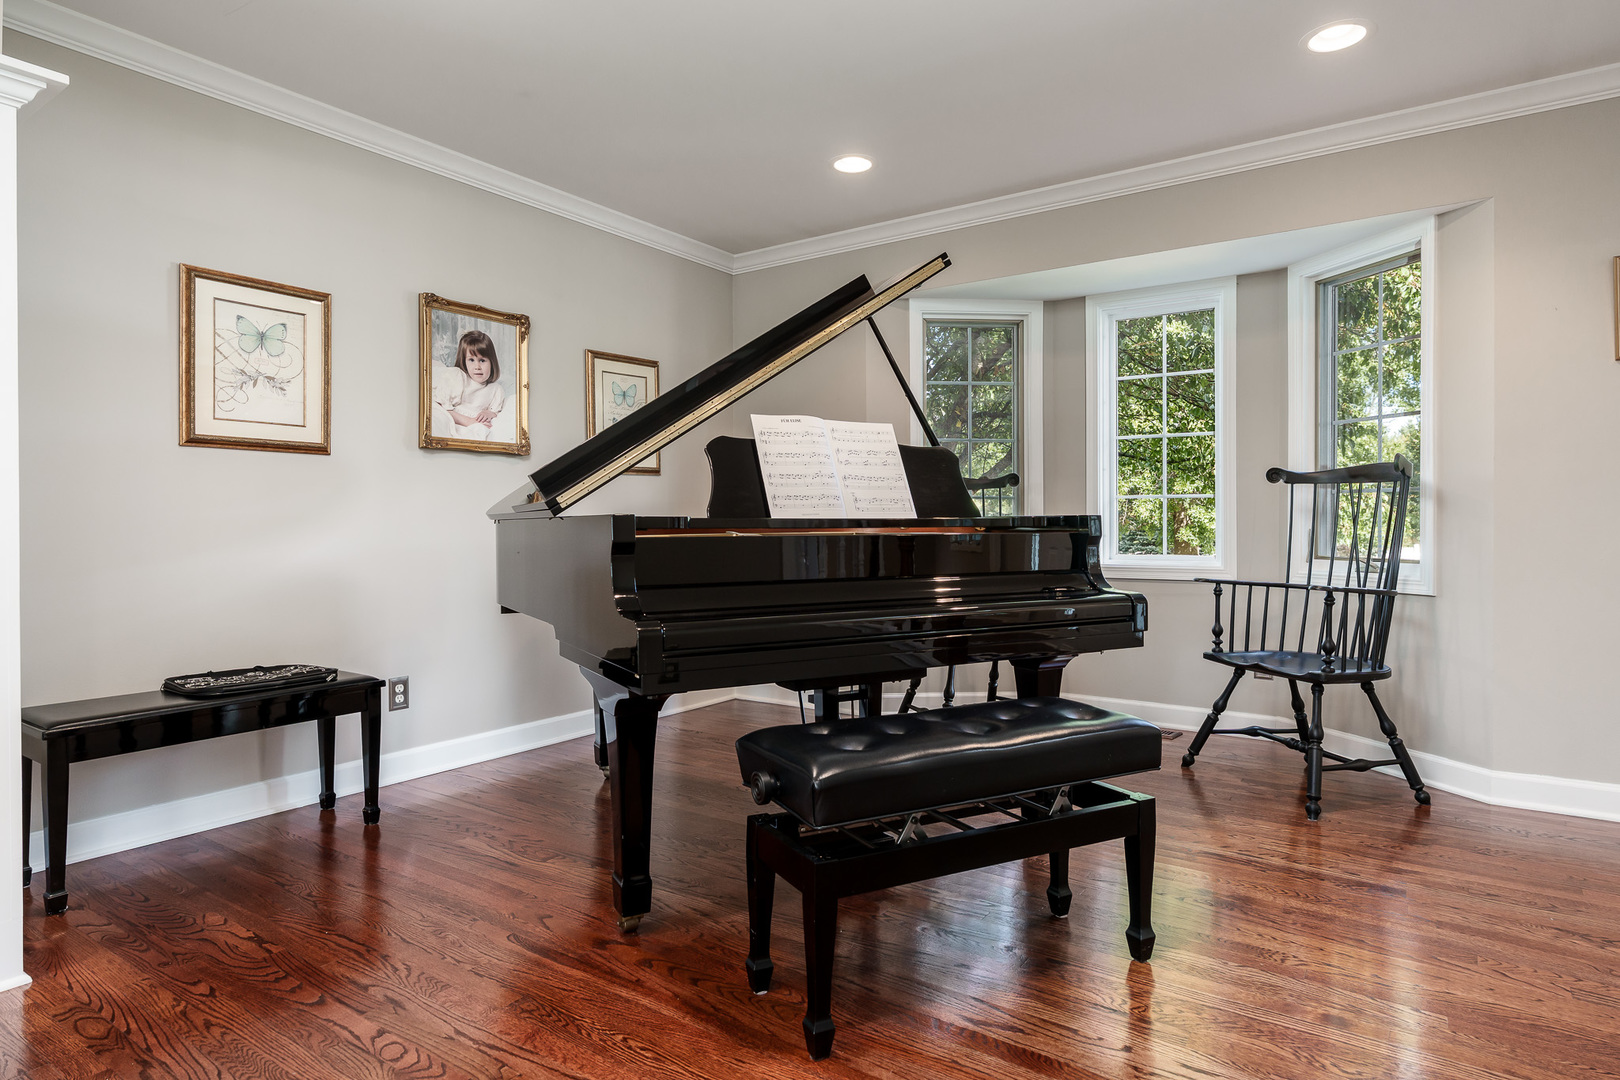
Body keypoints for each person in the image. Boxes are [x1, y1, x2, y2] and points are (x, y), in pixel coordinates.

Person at [431, 329, 508, 442]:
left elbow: (496, 413)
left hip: (473, 427)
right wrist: (468, 421)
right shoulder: (457, 377)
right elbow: (440, 409)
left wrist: (490, 413)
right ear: (464, 361)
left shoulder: (496, 390)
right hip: (451, 420)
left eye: (482, 360)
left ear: (492, 362)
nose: (477, 366)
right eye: (471, 360)